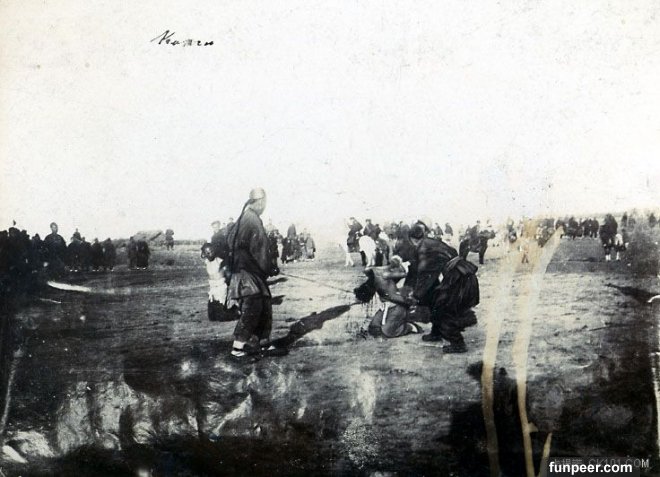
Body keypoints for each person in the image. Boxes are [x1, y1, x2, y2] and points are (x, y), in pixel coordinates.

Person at [226, 188, 282, 360]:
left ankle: (263, 343)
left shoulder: (244, 217)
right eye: (264, 203)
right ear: (260, 202)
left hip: (247, 270)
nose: (264, 206)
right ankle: (237, 348)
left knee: (264, 304)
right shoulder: (252, 219)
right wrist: (269, 267)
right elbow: (260, 248)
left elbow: (230, 241)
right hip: (247, 272)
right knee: (253, 307)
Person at [408, 222, 480, 353]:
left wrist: (416, 295)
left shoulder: (423, 248)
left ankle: (458, 343)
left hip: (459, 279)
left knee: (444, 310)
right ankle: (436, 333)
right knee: (435, 302)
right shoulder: (433, 242)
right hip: (463, 275)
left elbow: (424, 274)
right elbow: (452, 253)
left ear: (412, 239)